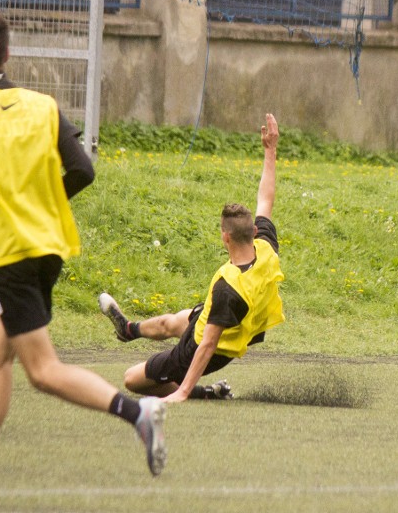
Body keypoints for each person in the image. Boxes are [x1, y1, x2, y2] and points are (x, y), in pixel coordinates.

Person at [0, 9, 167, 505]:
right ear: (8, 55)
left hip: (9, 257)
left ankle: (138, 414)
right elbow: (82, 171)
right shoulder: (43, 105)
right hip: (48, 247)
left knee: (43, 371)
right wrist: (39, 201)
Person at [98, 113, 284, 403]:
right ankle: (128, 329)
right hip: (222, 321)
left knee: (132, 380)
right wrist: (270, 151)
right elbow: (266, 199)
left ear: (225, 237)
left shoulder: (228, 287)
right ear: (255, 231)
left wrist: (183, 392)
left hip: (211, 345)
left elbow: (208, 344)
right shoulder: (266, 248)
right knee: (171, 323)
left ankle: (205, 392)